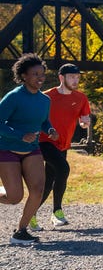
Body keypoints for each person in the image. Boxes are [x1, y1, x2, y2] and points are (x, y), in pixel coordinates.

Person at [0, 53, 59, 244]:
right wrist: (19, 135)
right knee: (14, 197)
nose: (40, 78)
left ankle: (21, 231)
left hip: (32, 149)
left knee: (38, 189)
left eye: (42, 74)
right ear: (24, 75)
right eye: (35, 74)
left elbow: (44, 121)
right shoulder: (14, 97)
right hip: (8, 148)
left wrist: (49, 129)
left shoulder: (45, 100)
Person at [28, 63, 91, 231]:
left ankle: (32, 215)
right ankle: (57, 210)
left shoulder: (81, 98)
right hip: (44, 142)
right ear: (61, 78)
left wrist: (85, 123)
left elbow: (84, 119)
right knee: (63, 169)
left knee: (49, 180)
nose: (75, 80)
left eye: (77, 77)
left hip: (63, 145)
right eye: (72, 77)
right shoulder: (46, 97)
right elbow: (35, 118)